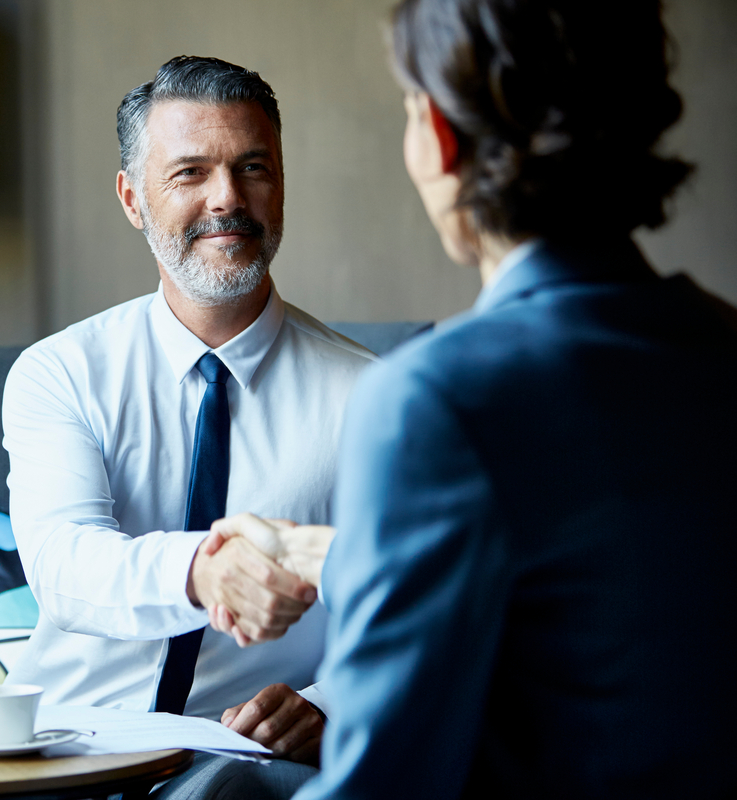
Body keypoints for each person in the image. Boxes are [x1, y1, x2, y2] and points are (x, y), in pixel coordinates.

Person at [205, 0, 737, 797]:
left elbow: (385, 780)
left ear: (442, 137)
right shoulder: (722, 348)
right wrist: (331, 554)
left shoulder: (432, 398)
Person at [1, 56, 376, 796]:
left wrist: (333, 706)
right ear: (133, 198)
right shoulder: (59, 372)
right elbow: (64, 564)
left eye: (253, 167)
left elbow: (401, 600)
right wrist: (200, 572)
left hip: (241, 767)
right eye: (190, 173)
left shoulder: (373, 397)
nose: (228, 198)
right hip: (61, 750)